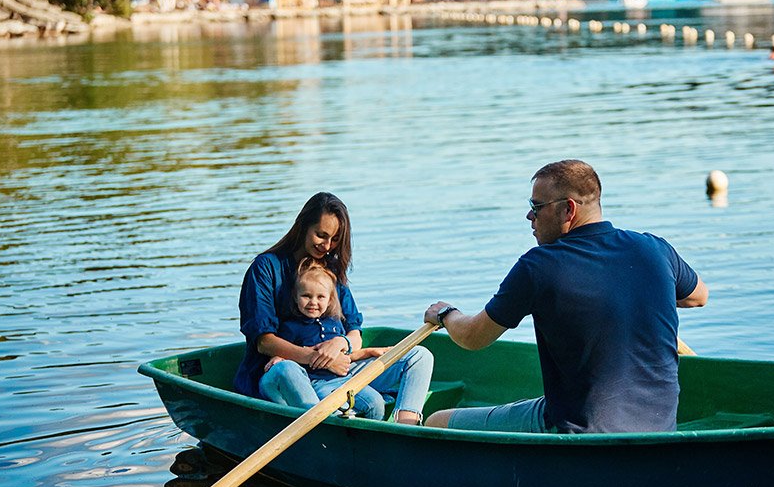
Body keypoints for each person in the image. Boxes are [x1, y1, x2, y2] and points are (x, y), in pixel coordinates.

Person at [424, 160, 708, 434]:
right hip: (659, 429)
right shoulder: (654, 249)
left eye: (536, 207)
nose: (529, 217)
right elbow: (698, 297)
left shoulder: (538, 266)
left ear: (568, 210)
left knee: (438, 421)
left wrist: (446, 314)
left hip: (577, 429)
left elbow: (473, 338)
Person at [234, 192, 433, 424]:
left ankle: (405, 426)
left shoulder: (330, 271)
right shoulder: (266, 268)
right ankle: (325, 428)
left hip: (338, 371)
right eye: (321, 235)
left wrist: (342, 343)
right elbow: (264, 342)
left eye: (336, 239)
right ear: (303, 226)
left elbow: (355, 332)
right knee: (285, 369)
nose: (327, 246)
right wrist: (317, 357)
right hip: (287, 373)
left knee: (419, 356)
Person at [262, 256, 390, 419]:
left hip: (344, 379)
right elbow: (286, 353)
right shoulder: (291, 326)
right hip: (316, 383)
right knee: (333, 413)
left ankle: (367, 438)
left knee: (376, 403)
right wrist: (279, 357)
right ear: (295, 297)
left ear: (330, 300)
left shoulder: (334, 325)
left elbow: (346, 357)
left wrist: (370, 352)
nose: (313, 302)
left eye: (320, 297)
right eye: (306, 296)